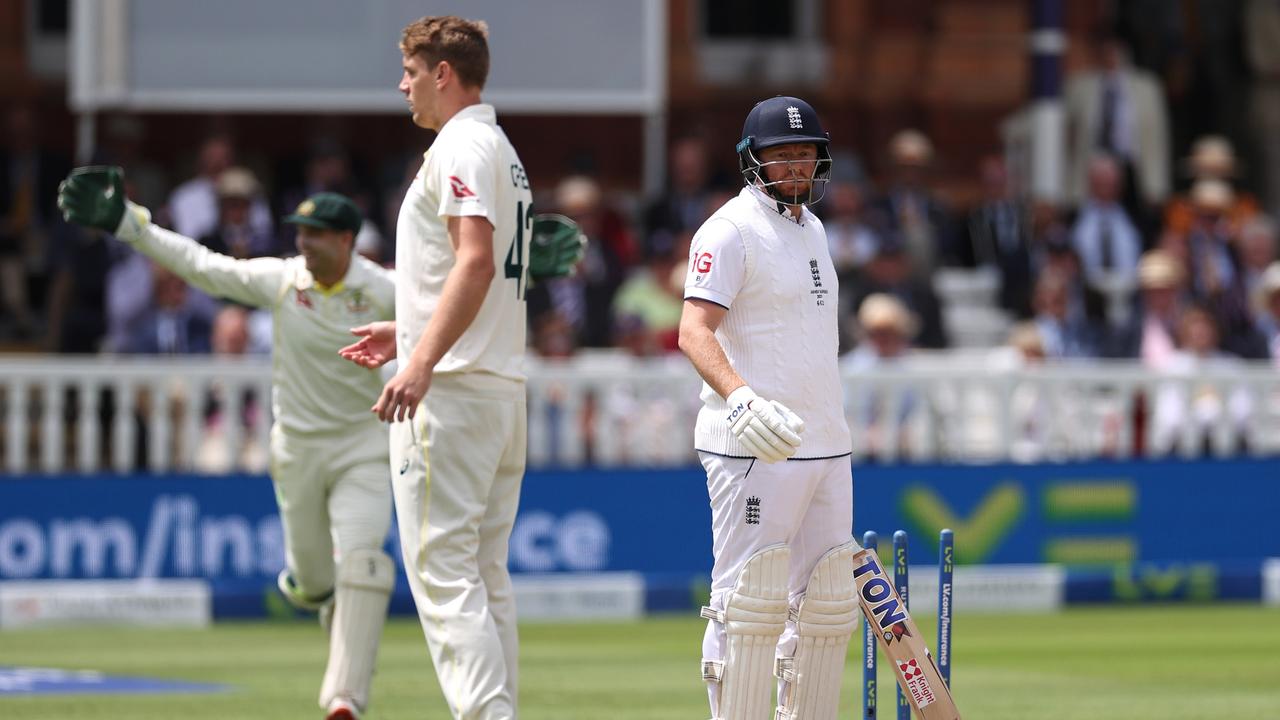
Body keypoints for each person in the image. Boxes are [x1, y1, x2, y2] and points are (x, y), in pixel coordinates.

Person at [57, 171, 397, 720]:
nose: (303, 243)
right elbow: (204, 267)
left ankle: (344, 700)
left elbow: (457, 301)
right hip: (299, 452)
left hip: (365, 449)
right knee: (315, 585)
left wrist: (519, 278)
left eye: (315, 234)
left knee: (363, 563)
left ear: (346, 240)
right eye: (300, 233)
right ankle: (318, 596)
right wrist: (128, 223)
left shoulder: (385, 289)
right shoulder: (284, 281)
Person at [337, 16, 534, 720]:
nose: (403, 85)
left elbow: (476, 261)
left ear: (442, 74)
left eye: (412, 72)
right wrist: (409, 328)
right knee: (483, 574)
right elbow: (472, 270)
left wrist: (420, 359)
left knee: (444, 576)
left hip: (453, 393)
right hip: (499, 387)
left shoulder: (459, 144)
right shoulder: (500, 149)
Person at [678, 95, 857, 720]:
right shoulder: (729, 230)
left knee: (827, 604)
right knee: (748, 604)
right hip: (757, 442)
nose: (796, 167)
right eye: (782, 156)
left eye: (805, 154)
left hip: (826, 442)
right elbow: (693, 331)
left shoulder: (813, 228)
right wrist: (742, 397)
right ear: (753, 159)